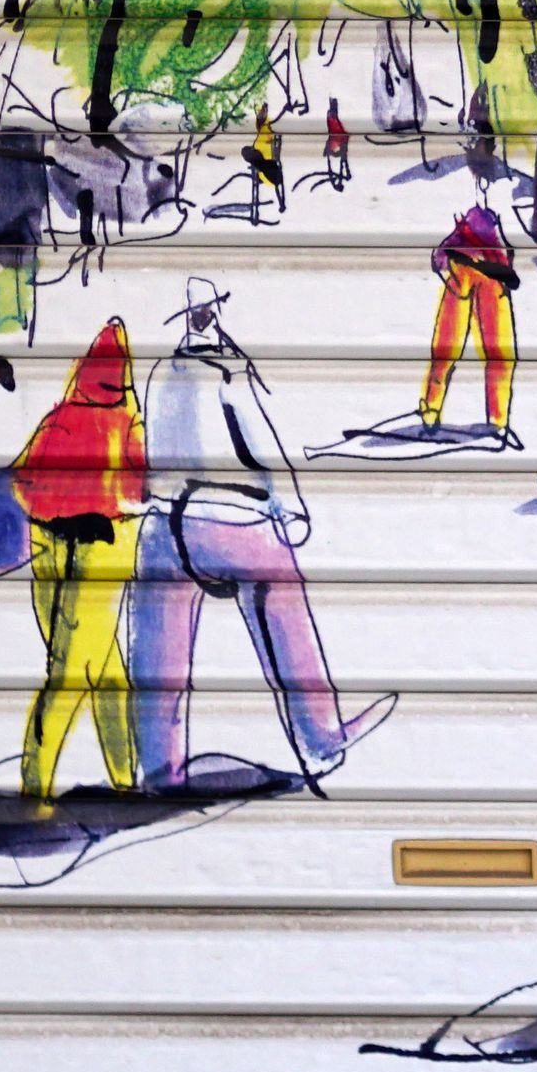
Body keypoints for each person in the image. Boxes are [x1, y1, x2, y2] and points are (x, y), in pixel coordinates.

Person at [124, 280, 373, 783]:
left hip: (167, 524)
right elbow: (259, 445)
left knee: (159, 647)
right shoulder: (229, 371)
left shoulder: (161, 373)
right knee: (283, 608)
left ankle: (159, 766)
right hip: (234, 520)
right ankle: (320, 738)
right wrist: (291, 505)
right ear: (213, 316)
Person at [9, 319, 145, 800]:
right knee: (74, 673)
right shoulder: (126, 421)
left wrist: (59, 510)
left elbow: (23, 481)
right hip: (103, 548)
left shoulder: (59, 417)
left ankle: (125, 777)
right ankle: (35, 786)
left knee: (106, 675)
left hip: (46, 544)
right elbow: (135, 491)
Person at [417, 202, 520, 444]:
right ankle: (434, 409)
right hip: (470, 269)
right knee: (449, 348)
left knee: (496, 353)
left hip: (485, 273)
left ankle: (495, 418)